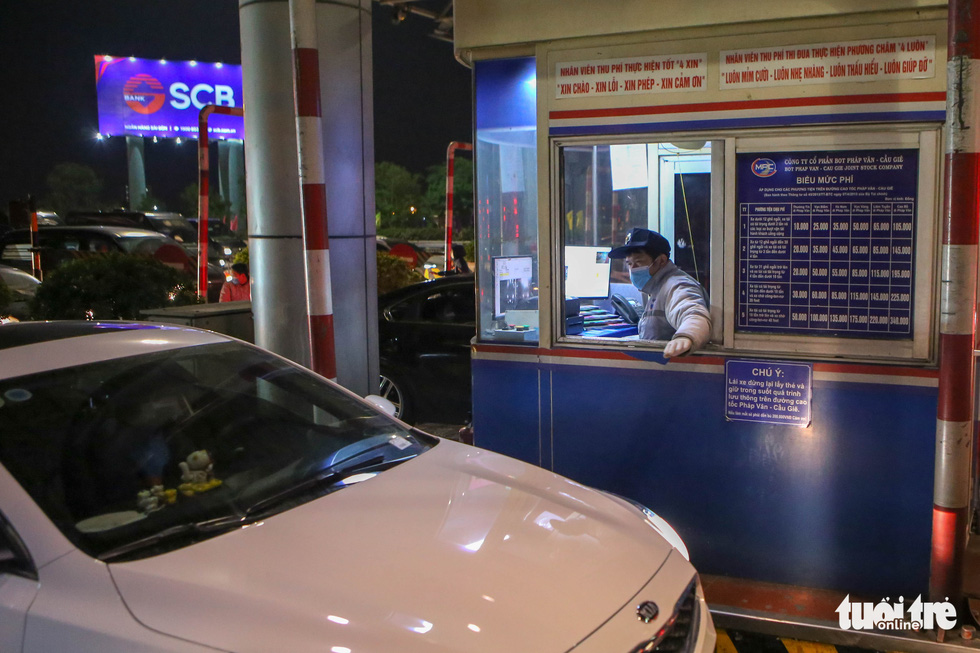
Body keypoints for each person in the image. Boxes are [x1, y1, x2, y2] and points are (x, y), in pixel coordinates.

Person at [608, 227, 711, 358]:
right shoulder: (657, 287)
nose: (633, 270)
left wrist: (686, 336)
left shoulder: (677, 285)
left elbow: (693, 314)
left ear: (661, 261)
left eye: (638, 262)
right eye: (629, 264)